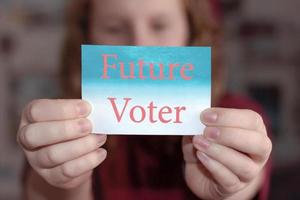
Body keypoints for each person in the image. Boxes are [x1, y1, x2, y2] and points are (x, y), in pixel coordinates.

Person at [17, 0, 272, 199]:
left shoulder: (233, 114)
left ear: (192, 30)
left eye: (159, 26)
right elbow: (42, 190)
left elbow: (249, 181)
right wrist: (63, 179)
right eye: (114, 28)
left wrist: (230, 185)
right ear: (88, 35)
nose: (140, 44)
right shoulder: (64, 126)